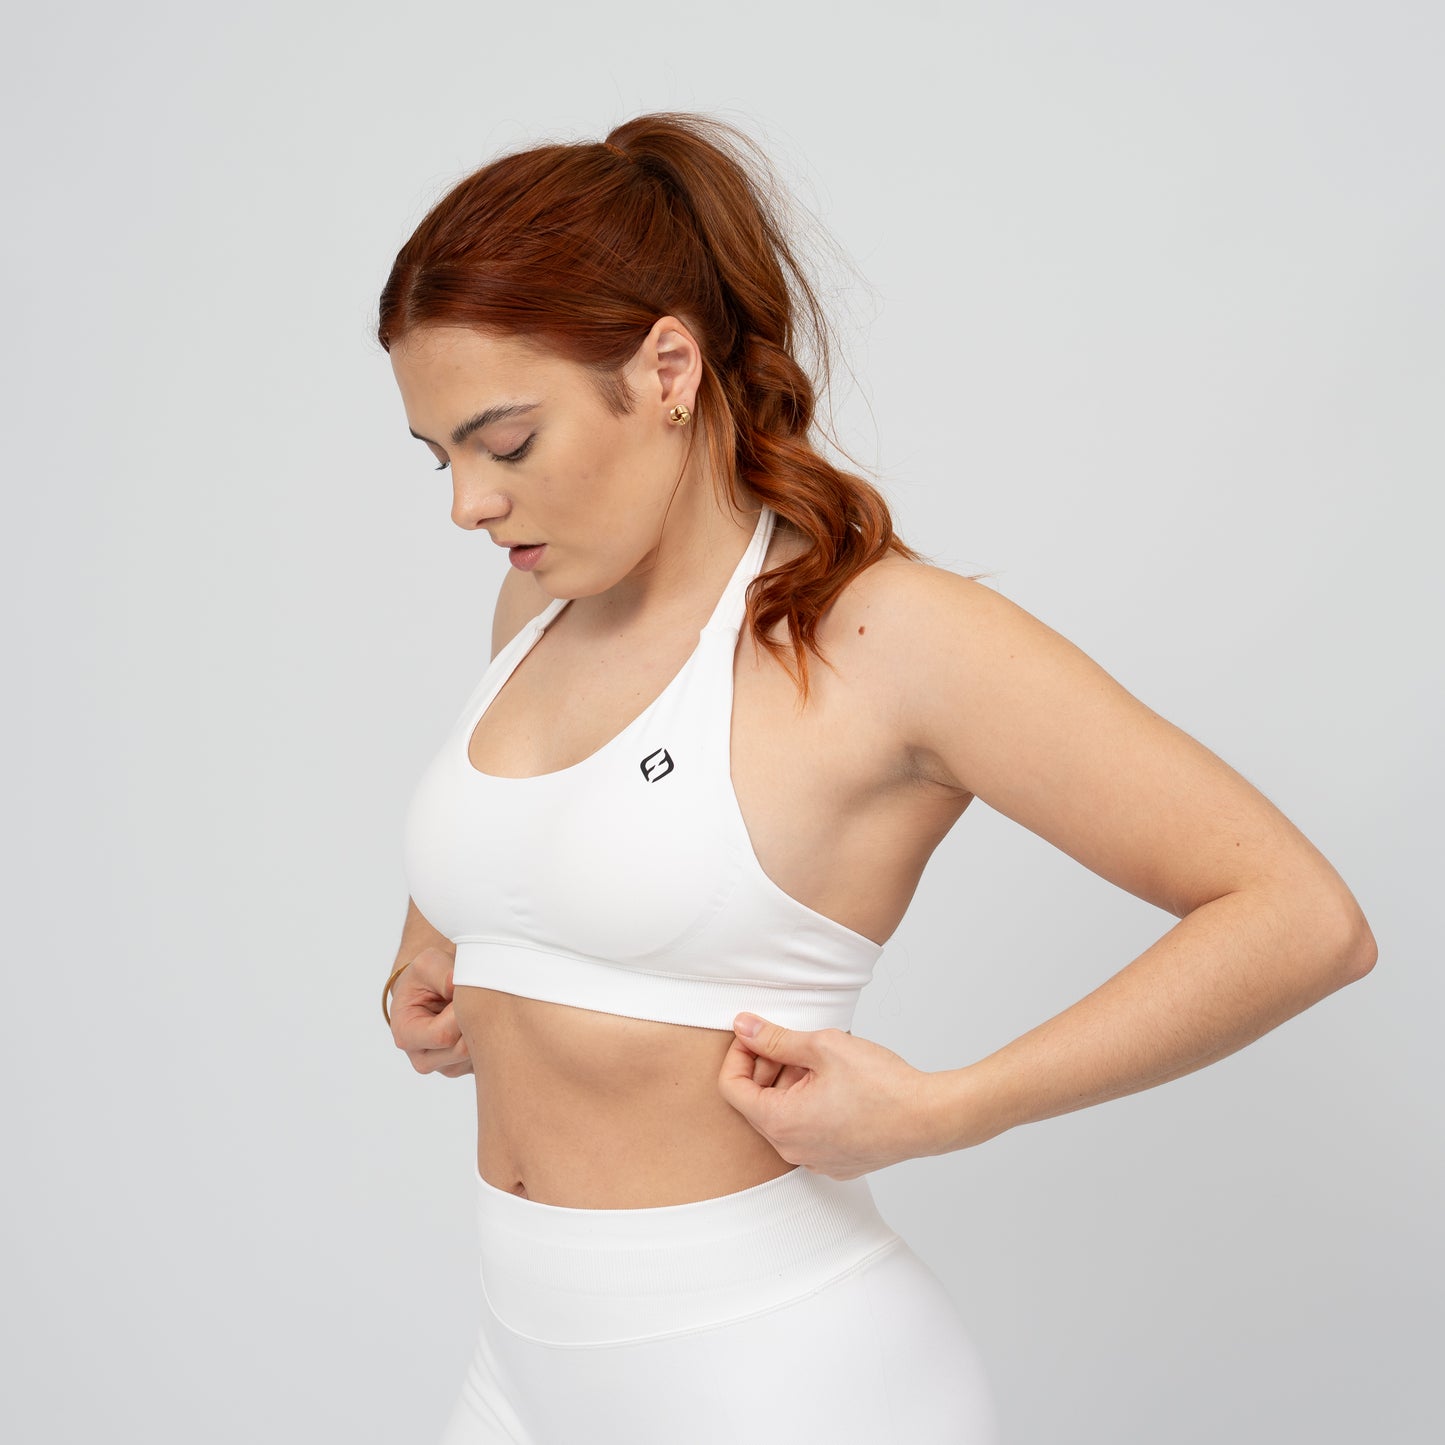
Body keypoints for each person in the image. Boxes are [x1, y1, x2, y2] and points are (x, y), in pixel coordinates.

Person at [377, 112, 1377, 1445]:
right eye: (439, 457)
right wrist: (434, 962)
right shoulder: (535, 615)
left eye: (504, 443)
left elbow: (1302, 917)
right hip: (522, 1373)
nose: (467, 504)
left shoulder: (883, 638)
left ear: (666, 368)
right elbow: (516, 864)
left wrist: (946, 1109)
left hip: (775, 1378)